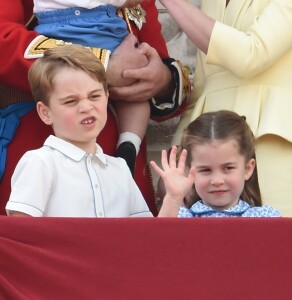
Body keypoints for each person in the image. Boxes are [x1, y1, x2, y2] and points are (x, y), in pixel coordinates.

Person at [0, 0, 190, 216]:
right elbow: (3, 39)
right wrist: (101, 66)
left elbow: (161, 62)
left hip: (120, 157)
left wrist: (160, 79)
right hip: (43, 142)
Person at [158, 0, 292, 217]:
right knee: (206, 249)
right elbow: (202, 91)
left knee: (279, 245)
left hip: (275, 143)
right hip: (209, 152)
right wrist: (179, 157)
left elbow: (251, 55)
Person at [6, 44, 153, 217]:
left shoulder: (120, 169)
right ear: (45, 113)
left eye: (94, 96)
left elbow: (144, 236)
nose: (86, 107)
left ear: (106, 97)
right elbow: (22, 234)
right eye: (71, 101)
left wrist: (173, 197)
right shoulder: (40, 162)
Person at [32, 0, 150, 175]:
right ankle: (129, 143)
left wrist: (163, 76)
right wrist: (106, 65)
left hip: (52, 30)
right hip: (100, 28)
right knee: (135, 90)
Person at [151, 110, 281, 217]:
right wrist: (173, 198)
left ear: (247, 169)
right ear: (190, 172)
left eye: (228, 168)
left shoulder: (265, 217)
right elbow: (159, 243)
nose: (217, 180)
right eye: (205, 170)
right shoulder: (182, 217)